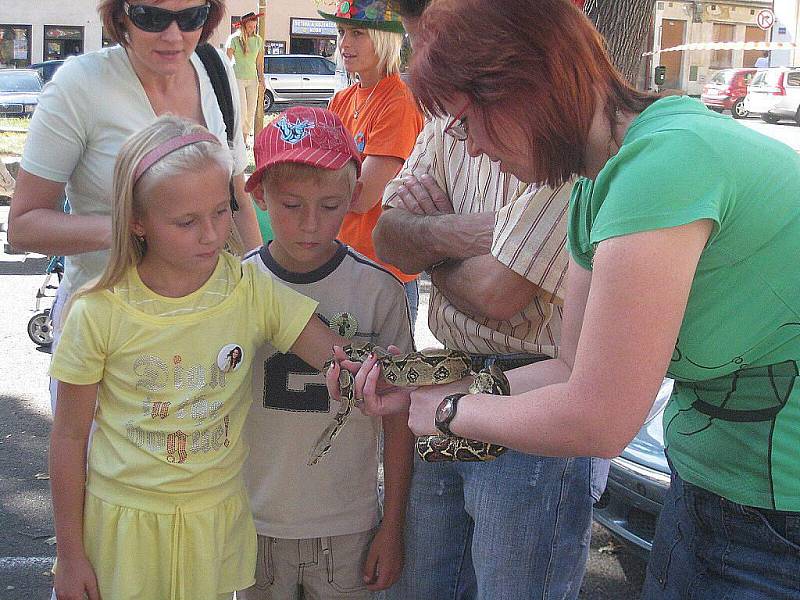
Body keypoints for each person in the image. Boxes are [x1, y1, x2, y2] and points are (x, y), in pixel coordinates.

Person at [337, 1, 800, 599]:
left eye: (466, 121)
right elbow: (567, 368)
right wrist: (426, 393)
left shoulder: (663, 164)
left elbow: (598, 418)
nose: (471, 148)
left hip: (780, 518)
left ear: (523, 86)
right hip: (711, 489)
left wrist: (450, 415)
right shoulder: (595, 184)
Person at [48, 116, 355, 600]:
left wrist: (381, 373)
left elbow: (339, 358)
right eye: (187, 222)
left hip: (212, 522)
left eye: (220, 211)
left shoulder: (247, 287)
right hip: (121, 526)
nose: (212, 235)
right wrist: (69, 555)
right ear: (137, 221)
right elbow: (67, 437)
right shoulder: (96, 313)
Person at [363, 2, 598, 598]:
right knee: (426, 584)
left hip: (535, 393)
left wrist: (432, 233)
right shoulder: (451, 115)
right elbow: (387, 234)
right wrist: (480, 233)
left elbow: (498, 295)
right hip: (447, 371)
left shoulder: (563, 141)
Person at [8, 0, 263, 413]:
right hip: (107, 343)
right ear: (121, 13)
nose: (173, 35)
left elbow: (236, 201)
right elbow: (23, 226)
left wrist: (263, 291)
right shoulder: (80, 86)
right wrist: (139, 229)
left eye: (191, 17)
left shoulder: (215, 70)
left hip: (206, 334)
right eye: (152, 17)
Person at [238, 106, 415, 599]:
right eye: (291, 206)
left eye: (332, 204)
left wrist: (393, 523)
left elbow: (399, 420)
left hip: (348, 526)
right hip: (252, 522)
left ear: (356, 196)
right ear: (260, 196)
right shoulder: (235, 285)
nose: (311, 225)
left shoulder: (380, 292)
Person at [319, 0, 424, 324]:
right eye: (341, 32)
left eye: (357, 33)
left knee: (384, 373)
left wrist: (318, 188)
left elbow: (363, 196)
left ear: (384, 37)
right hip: (339, 263)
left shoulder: (399, 102)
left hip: (383, 274)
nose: (344, 43)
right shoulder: (342, 99)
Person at [226, 11, 265, 146]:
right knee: (241, 111)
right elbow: (227, 61)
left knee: (250, 111)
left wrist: (262, 80)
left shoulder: (258, 40)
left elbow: (259, 63)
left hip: (252, 80)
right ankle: (237, 140)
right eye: (250, 27)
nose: (252, 29)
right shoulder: (234, 39)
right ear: (243, 26)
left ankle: (243, 140)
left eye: (254, 27)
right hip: (237, 78)